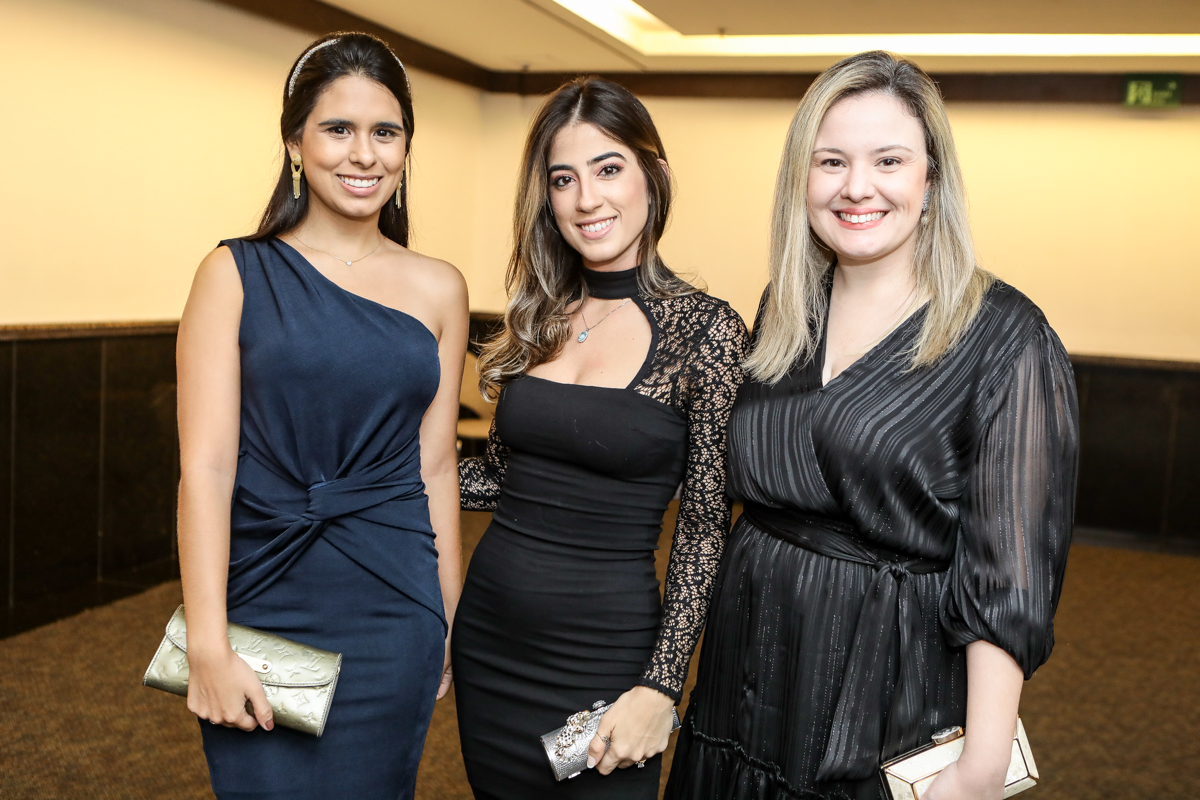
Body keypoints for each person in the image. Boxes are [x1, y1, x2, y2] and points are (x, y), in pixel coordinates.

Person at [666, 51, 1079, 800]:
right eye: (831, 162)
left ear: (932, 178)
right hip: (744, 671)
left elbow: (1010, 575)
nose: (857, 187)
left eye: (889, 160)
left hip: (886, 687)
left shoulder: (1005, 336)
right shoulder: (787, 307)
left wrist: (983, 764)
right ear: (802, 179)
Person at [175, 33, 466, 800]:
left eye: (386, 132)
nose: (364, 154)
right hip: (263, 593)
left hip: (394, 603)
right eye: (338, 129)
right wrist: (205, 640)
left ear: (406, 148)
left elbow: (436, 465)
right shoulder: (233, 273)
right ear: (295, 143)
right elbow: (206, 468)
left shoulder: (439, 287)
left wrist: (449, 615)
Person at [453, 77, 749, 799]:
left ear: (654, 175)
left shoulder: (707, 331)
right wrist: (381, 471)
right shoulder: (537, 315)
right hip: (490, 639)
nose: (587, 199)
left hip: (605, 654)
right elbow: (501, 480)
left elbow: (704, 527)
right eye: (564, 179)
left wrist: (662, 683)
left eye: (608, 169)